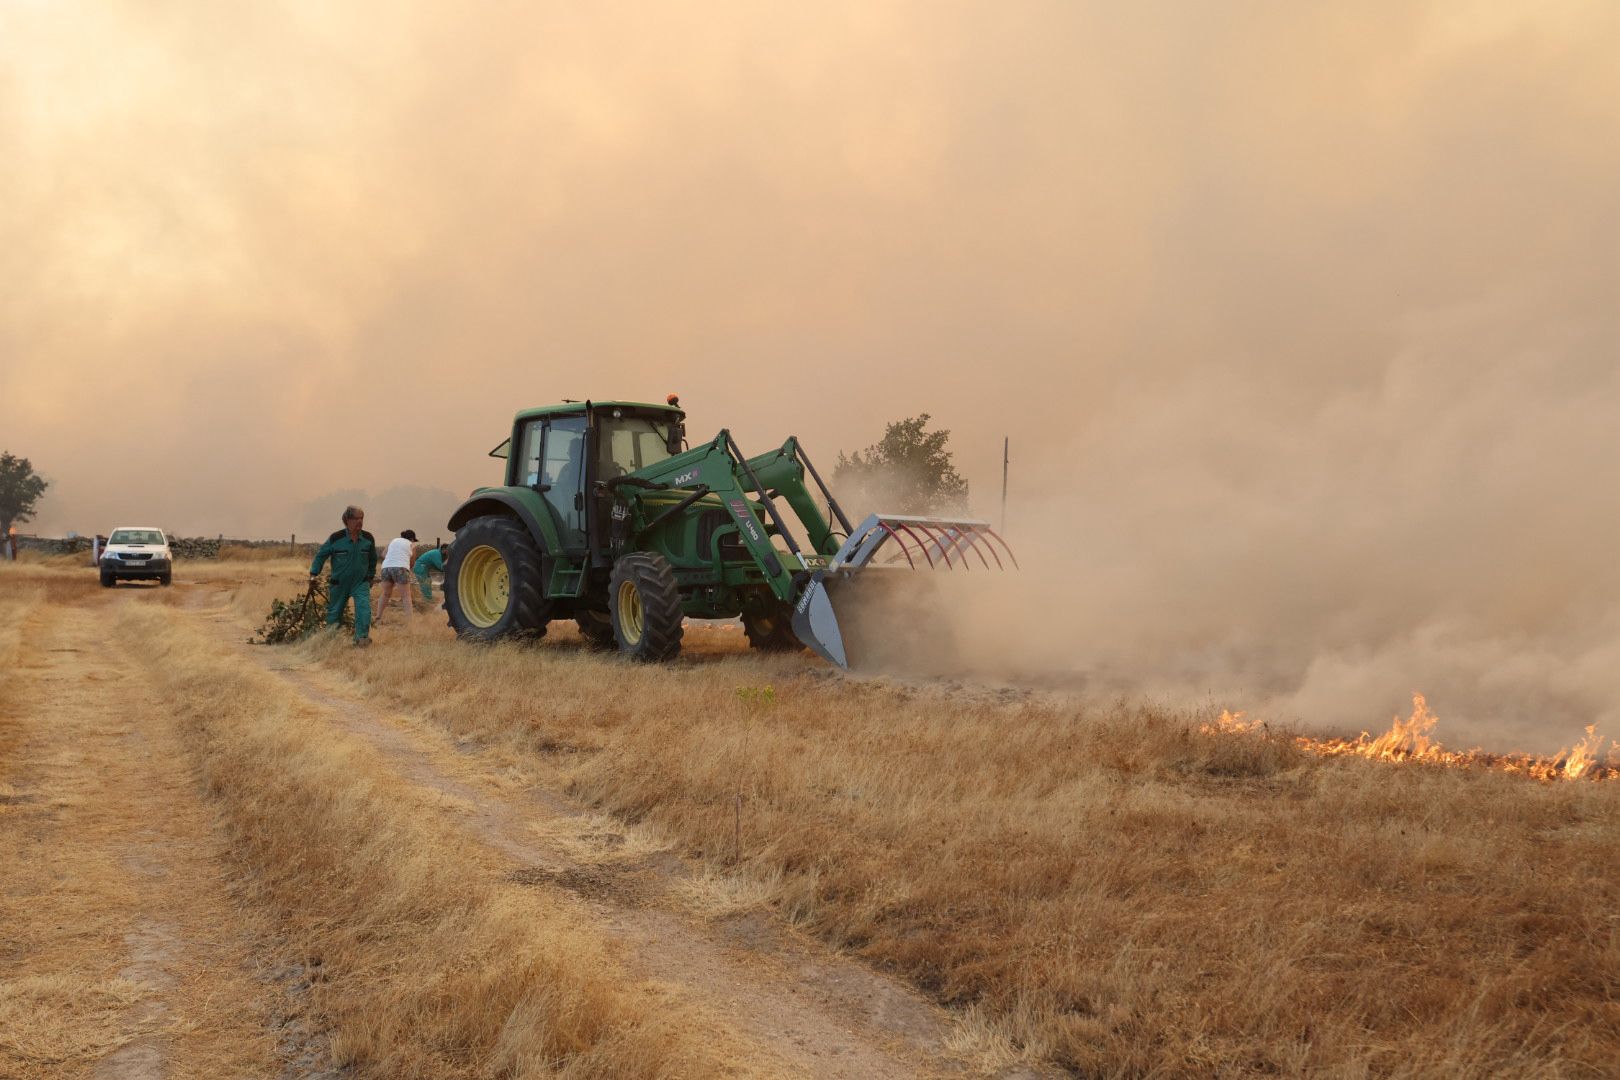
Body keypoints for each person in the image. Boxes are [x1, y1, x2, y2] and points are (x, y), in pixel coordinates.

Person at [309, 506, 376, 646]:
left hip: (360, 583)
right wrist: (313, 574)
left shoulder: (368, 538)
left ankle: (361, 639)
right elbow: (321, 556)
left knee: (364, 610)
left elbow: (373, 559)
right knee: (335, 612)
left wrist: (370, 576)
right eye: (356, 518)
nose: (360, 521)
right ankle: (331, 641)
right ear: (347, 520)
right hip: (339, 583)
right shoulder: (335, 538)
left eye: (361, 518)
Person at [374, 527, 417, 624]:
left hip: (386, 567)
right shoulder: (412, 545)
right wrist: (405, 566)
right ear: (411, 539)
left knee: (385, 594)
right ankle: (410, 623)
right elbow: (412, 562)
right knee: (406, 596)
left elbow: (383, 554)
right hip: (401, 568)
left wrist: (392, 559)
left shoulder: (393, 541)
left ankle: (378, 619)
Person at [413, 542, 449, 609]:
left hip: (423, 568)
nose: (449, 552)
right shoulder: (436, 554)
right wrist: (448, 559)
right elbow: (441, 567)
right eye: (448, 550)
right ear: (444, 549)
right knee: (425, 584)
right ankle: (427, 602)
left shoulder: (438, 553)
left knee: (428, 582)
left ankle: (428, 599)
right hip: (420, 567)